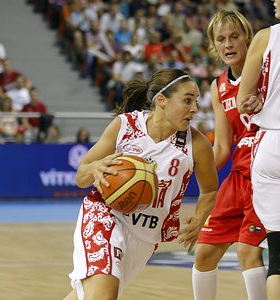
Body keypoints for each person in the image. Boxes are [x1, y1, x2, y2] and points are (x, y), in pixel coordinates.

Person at [63, 68, 218, 300]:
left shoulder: (196, 144)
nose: (194, 109)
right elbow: (81, 176)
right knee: (104, 295)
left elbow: (209, 190)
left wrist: (198, 220)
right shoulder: (125, 126)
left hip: (146, 236)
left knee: (87, 295)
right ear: (162, 100)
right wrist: (94, 168)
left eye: (195, 101)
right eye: (187, 101)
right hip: (105, 215)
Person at [192, 10, 267, 300]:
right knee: (204, 253)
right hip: (238, 177)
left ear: (248, 38)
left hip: (265, 171)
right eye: (220, 39)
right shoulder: (217, 85)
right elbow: (223, 145)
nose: (228, 44)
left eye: (234, 36)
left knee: (248, 252)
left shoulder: (267, 70)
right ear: (213, 45)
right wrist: (191, 167)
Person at [237, 1, 280, 298]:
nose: (274, 1)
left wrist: (256, 99)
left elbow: (243, 99)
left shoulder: (265, 37)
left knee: (277, 253)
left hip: (271, 145)